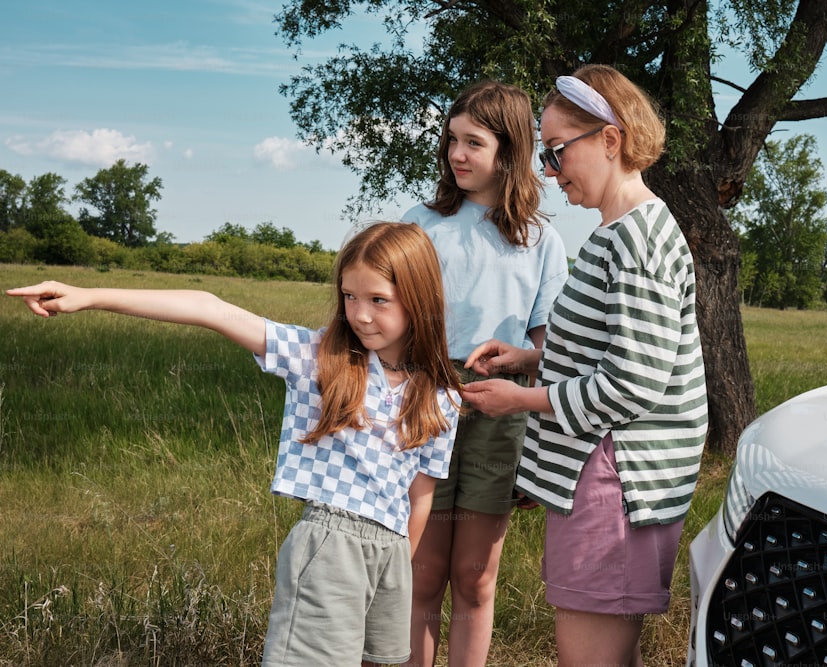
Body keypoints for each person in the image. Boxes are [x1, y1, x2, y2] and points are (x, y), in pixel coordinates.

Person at [7, 222, 463, 667]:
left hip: (390, 551)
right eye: (349, 296)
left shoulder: (441, 395)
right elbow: (210, 307)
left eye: (378, 300)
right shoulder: (319, 358)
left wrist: (397, 567)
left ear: (420, 300)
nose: (359, 314)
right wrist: (89, 296)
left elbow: (419, 500)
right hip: (331, 546)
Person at [461, 65, 709, 667]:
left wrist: (519, 399)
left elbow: (632, 382)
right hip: (605, 476)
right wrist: (532, 356)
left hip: (616, 483)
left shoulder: (636, 240)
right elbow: (621, 347)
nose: (548, 171)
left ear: (609, 139)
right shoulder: (618, 230)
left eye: (556, 152)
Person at [401, 80, 568, 666]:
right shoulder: (421, 224)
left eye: (474, 142)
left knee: (474, 577)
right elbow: (390, 321)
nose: (457, 154)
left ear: (510, 150)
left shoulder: (541, 238)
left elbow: (552, 352)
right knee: (422, 577)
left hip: (500, 410)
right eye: (451, 140)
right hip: (424, 402)